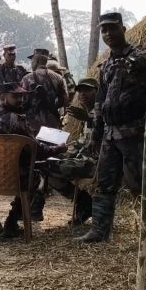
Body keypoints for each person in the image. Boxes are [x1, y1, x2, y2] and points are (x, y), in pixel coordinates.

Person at [75, 12, 146, 244]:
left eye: (112, 28)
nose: (108, 34)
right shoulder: (105, 65)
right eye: (104, 30)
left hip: (134, 133)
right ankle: (99, 230)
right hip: (110, 134)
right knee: (105, 183)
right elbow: (100, 101)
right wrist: (96, 135)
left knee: (141, 183)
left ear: (123, 28)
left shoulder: (141, 58)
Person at [0, 82, 67, 239]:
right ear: (3, 98)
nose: (21, 100)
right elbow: (37, 151)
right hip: (15, 178)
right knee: (37, 178)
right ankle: (12, 222)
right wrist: (58, 148)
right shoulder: (16, 120)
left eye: (21, 96)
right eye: (16, 97)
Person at [45, 77, 99, 224]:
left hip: (97, 163)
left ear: (97, 92)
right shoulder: (88, 114)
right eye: (80, 91)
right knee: (45, 165)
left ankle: (84, 201)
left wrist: (89, 119)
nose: (82, 94)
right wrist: (61, 152)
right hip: (84, 159)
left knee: (47, 168)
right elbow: (81, 143)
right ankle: (83, 202)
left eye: (87, 90)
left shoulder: (101, 113)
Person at [20, 49, 69, 135]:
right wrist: (53, 106)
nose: (31, 63)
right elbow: (65, 100)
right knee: (54, 147)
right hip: (52, 123)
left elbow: (21, 102)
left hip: (32, 126)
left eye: (32, 60)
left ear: (36, 60)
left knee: (35, 148)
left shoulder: (26, 79)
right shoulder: (58, 77)